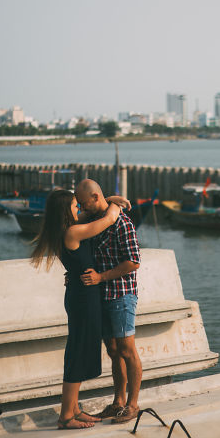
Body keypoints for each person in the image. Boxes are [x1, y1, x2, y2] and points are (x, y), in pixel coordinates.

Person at [30, 188, 128, 430]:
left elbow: (92, 214)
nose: (79, 209)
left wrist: (111, 200)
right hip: (83, 296)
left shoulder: (65, 228)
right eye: (75, 206)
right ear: (66, 211)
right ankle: (66, 415)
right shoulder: (72, 232)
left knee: (80, 348)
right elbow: (108, 219)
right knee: (77, 351)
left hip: (81, 293)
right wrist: (116, 205)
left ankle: (73, 408)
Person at [76, 179, 142, 424]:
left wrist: (101, 277)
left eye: (84, 203)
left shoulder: (122, 222)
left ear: (95, 197)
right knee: (113, 351)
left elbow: (133, 261)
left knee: (127, 350)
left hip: (122, 293)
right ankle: (118, 402)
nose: (82, 208)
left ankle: (133, 404)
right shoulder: (95, 220)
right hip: (101, 294)